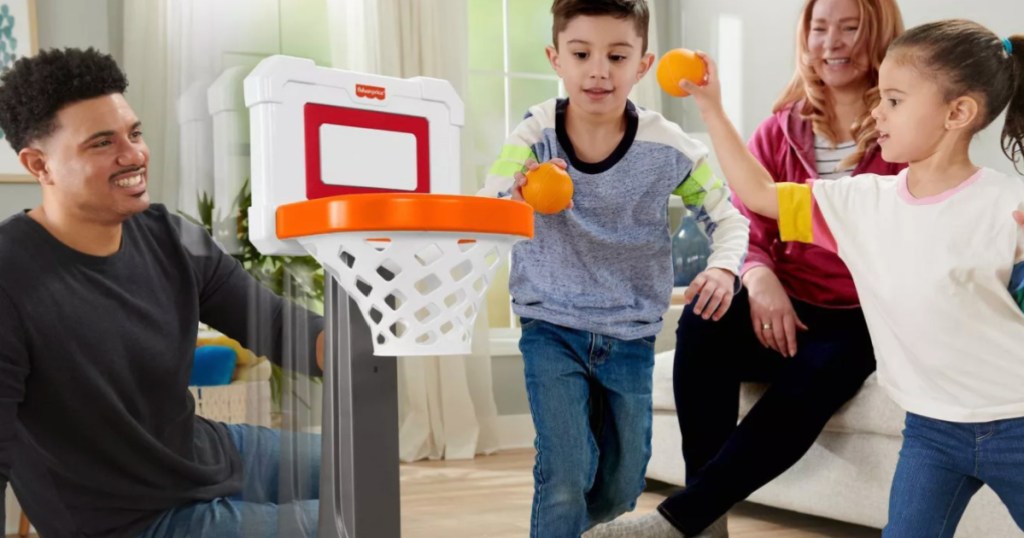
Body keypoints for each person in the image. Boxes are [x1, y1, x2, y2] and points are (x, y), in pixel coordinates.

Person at [683, 19, 1024, 537]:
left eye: (893, 100)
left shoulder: (1007, 207)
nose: (876, 111)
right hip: (931, 433)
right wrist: (711, 108)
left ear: (958, 113)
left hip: (1015, 424)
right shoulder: (862, 202)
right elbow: (760, 195)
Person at [0, 48, 326, 538]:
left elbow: (278, 325)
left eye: (134, 133)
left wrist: (363, 343)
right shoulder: (9, 277)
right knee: (350, 522)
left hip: (201, 455)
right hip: (129, 521)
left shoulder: (168, 236)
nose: (133, 155)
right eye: (102, 143)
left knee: (365, 466)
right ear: (39, 165)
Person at [477, 1, 750, 535]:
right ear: (557, 59)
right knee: (565, 470)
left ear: (642, 66)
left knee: (624, 484)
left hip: (630, 333)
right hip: (551, 325)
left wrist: (723, 270)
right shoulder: (535, 135)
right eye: (581, 53)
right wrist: (520, 188)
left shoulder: (668, 146)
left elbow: (729, 218)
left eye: (616, 55)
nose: (598, 69)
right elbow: (488, 202)